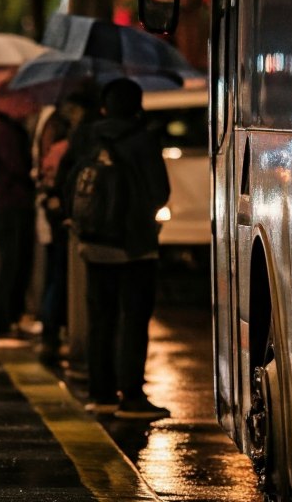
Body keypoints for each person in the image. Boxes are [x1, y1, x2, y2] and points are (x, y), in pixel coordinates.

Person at [75, 78, 171, 419]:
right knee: (133, 319)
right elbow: (160, 192)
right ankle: (131, 396)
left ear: (105, 105)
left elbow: (69, 180)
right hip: (135, 246)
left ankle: (100, 393)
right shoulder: (143, 139)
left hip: (94, 241)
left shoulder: (86, 136)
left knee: (100, 318)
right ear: (137, 106)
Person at [35, 89, 96, 365]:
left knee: (56, 274)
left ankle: (51, 335)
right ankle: (53, 335)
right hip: (65, 218)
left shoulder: (54, 134)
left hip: (55, 213)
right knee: (60, 276)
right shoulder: (68, 146)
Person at [0, 108, 35, 342]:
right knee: (9, 262)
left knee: (11, 262)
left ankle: (9, 317)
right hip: (9, 203)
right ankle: (3, 320)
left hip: (5, 202)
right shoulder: (4, 131)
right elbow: (17, 166)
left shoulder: (3, 129)